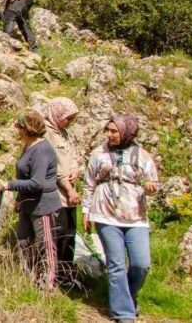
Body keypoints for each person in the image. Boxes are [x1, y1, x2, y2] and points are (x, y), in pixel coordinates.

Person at [82, 115, 159, 321]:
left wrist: (151, 188)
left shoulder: (142, 155)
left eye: (114, 131)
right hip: (105, 214)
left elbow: (152, 183)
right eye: (107, 130)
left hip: (135, 216)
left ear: (126, 132)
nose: (109, 134)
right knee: (116, 264)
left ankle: (128, 296)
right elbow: (89, 183)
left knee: (141, 263)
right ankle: (124, 314)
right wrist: (85, 211)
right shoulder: (99, 153)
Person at [6, 110, 63, 290]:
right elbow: (23, 173)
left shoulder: (42, 150)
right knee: (23, 242)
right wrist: (19, 199)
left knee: (46, 244)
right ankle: (27, 278)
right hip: (27, 205)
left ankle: (48, 283)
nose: (17, 131)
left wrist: (10, 185)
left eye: (19, 127)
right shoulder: (28, 146)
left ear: (26, 129)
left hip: (43, 205)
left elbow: (37, 183)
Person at [39, 98, 81, 287]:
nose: (69, 122)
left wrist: (75, 169)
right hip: (56, 193)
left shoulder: (64, 133)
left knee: (70, 234)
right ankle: (51, 276)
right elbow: (53, 167)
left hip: (69, 193)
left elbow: (73, 156)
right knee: (58, 235)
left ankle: (66, 277)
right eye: (67, 118)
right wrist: (69, 189)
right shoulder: (46, 134)